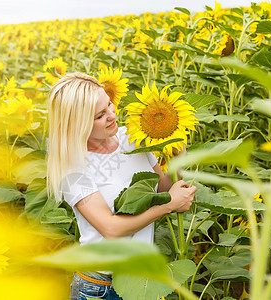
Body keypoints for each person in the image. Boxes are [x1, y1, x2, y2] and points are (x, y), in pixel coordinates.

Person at [47, 72, 197, 300]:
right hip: (99, 288)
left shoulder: (132, 138)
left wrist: (179, 159)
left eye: (109, 104)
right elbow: (111, 229)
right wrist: (169, 206)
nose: (111, 115)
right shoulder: (74, 170)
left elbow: (160, 190)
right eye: (100, 115)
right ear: (78, 125)